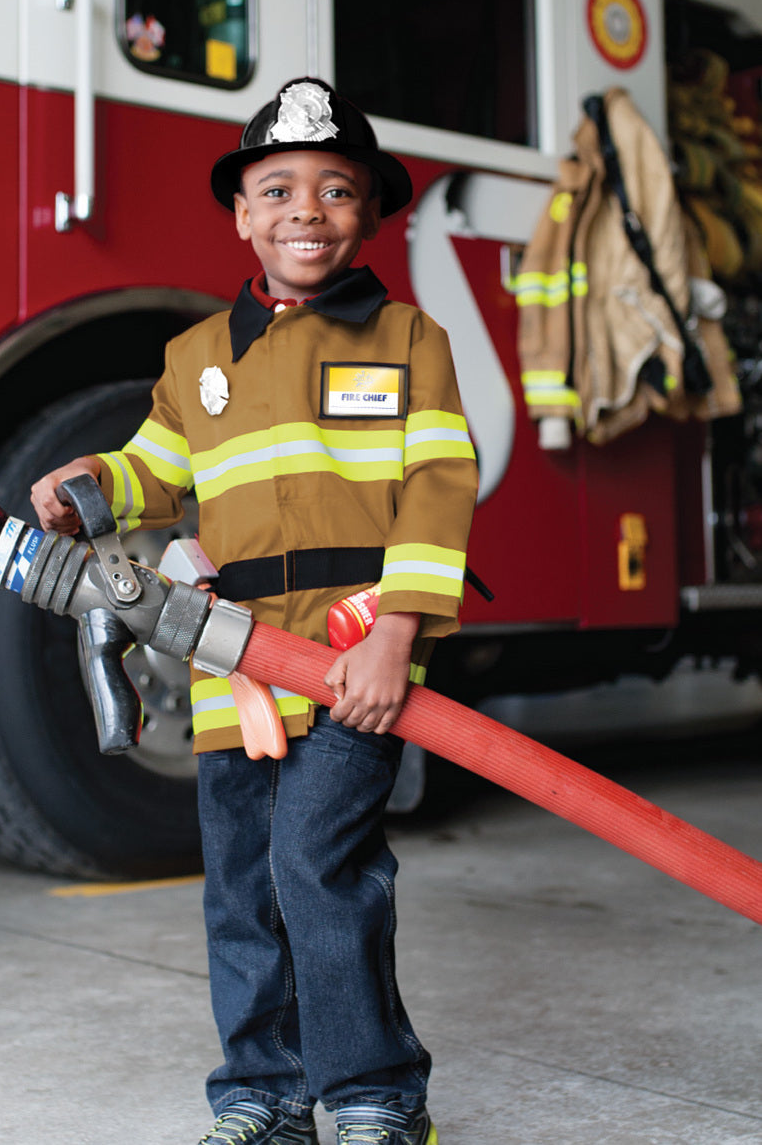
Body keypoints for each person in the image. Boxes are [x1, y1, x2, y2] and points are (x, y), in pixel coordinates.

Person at [31, 78, 479, 1145]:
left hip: (353, 661)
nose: (305, 211)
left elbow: (439, 484)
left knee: (316, 864)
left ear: (371, 214)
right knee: (240, 887)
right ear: (241, 214)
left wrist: (398, 635)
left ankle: (376, 1093)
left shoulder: (410, 338)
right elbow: (154, 471)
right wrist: (94, 478)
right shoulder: (197, 359)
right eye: (277, 190)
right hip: (230, 671)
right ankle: (264, 1097)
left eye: (336, 189)